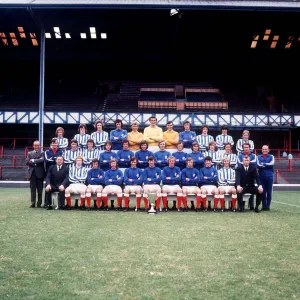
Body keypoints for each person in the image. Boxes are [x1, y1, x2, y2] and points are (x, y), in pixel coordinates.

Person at [237, 143, 257, 210]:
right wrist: (247, 162)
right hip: (243, 173)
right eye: (245, 147)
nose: (246, 148)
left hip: (251, 174)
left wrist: (247, 162)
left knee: (251, 188)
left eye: (247, 147)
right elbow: (239, 163)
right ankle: (242, 205)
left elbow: (254, 163)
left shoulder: (253, 155)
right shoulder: (240, 155)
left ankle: (251, 206)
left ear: (249, 148)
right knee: (243, 189)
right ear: (243, 148)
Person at [26, 140, 45, 208]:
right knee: (33, 189)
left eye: (38, 145)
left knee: (40, 190)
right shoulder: (29, 153)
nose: (37, 146)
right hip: (32, 173)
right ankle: (32, 203)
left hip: (40, 173)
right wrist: (37, 162)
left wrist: (33, 160)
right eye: (35, 145)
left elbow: (42, 160)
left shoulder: (42, 153)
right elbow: (27, 162)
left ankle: (39, 203)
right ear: (33, 146)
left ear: (39, 146)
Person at [257, 145, 275, 211]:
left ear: (268, 150)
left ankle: (268, 206)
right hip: (261, 176)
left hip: (269, 176)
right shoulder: (258, 157)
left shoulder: (271, 156)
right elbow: (258, 165)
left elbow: (272, 164)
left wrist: (263, 164)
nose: (264, 150)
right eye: (263, 149)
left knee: (269, 192)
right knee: (263, 192)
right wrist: (267, 164)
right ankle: (264, 206)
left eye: (266, 149)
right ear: (261, 150)